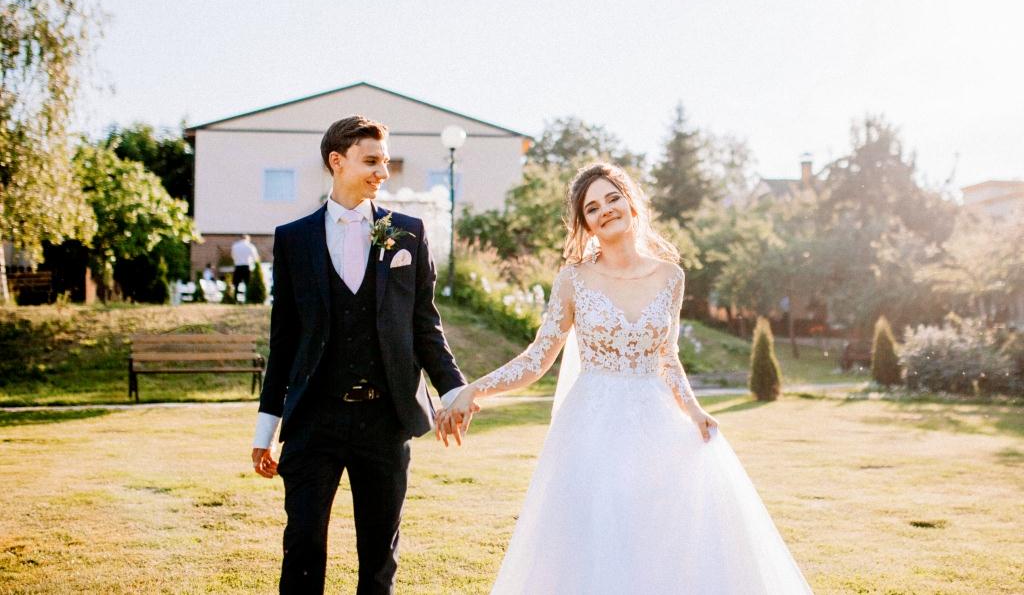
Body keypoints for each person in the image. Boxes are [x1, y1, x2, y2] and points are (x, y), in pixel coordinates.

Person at [437, 163, 814, 594]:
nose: (605, 210)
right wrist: (474, 389)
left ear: (631, 202)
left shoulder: (671, 277)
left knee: (663, 534)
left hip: (657, 423)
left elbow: (667, 356)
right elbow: (538, 358)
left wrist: (694, 410)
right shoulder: (573, 280)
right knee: (598, 536)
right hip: (592, 426)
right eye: (592, 208)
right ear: (585, 224)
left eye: (612, 198)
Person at [250, 115, 470, 594]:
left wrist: (454, 391)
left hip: (385, 421)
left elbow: (425, 326)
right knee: (302, 546)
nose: (382, 172)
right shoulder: (293, 239)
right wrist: (266, 430)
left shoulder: (408, 233)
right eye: (371, 161)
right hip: (313, 420)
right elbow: (283, 341)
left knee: (379, 557)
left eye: (384, 162)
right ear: (337, 161)